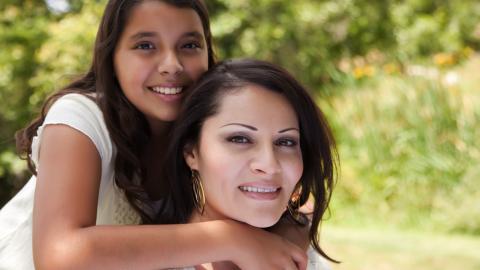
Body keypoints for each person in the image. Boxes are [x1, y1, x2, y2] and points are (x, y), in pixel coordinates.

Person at [0, 1, 308, 269]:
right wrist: (230, 238)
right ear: (112, 57)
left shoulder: (208, 127)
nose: (171, 65)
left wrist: (279, 245)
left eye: (189, 45)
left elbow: (292, 207)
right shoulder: (81, 117)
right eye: (145, 45)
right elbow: (59, 255)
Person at [161, 59, 338, 269]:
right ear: (191, 152)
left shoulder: (305, 257)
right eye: (239, 139)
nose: (270, 165)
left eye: (286, 142)